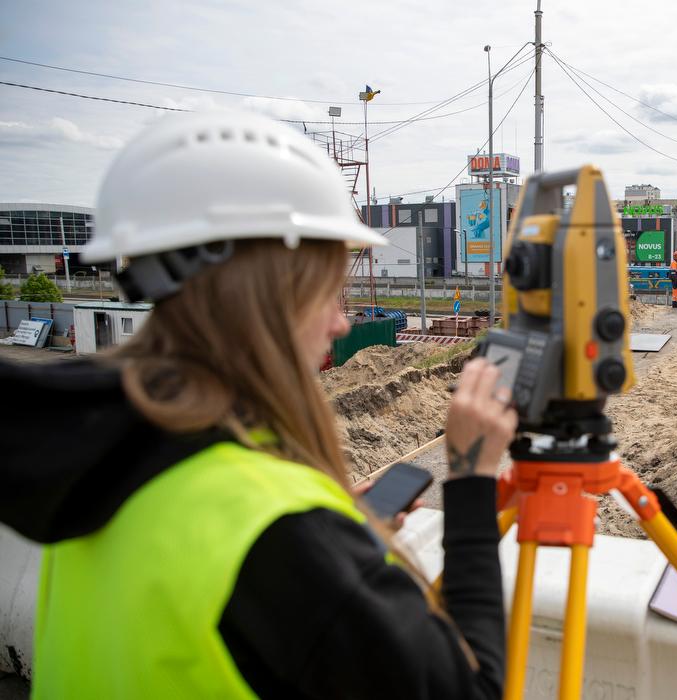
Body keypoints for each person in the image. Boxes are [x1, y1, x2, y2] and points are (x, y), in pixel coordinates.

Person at [0, 111, 517, 698]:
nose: (341, 321)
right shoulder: (282, 533)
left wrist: (341, 542)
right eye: (329, 292)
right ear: (271, 297)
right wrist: (472, 478)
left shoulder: (99, 468)